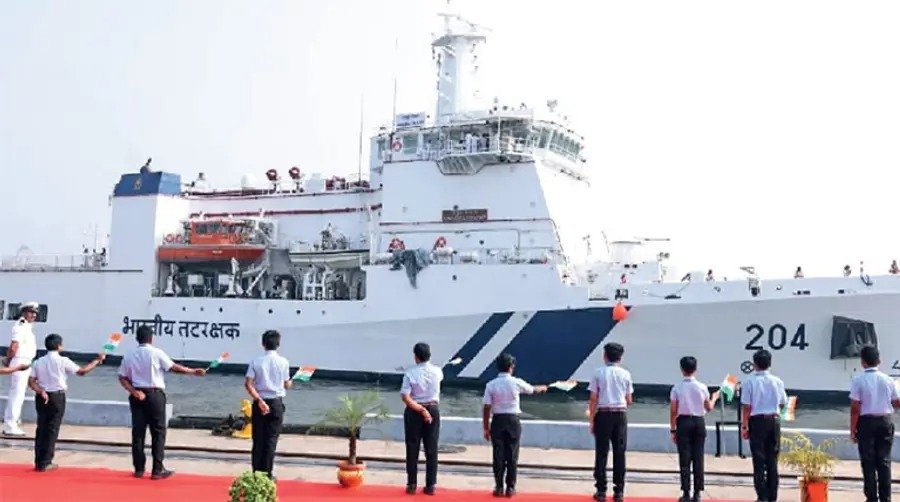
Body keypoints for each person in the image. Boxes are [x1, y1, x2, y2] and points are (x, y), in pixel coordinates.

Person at [117, 325, 206, 479]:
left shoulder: (129, 355)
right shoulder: (156, 353)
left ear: (137, 338)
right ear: (151, 338)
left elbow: (122, 377)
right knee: (158, 432)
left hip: (137, 395)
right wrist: (192, 371)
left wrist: (134, 391)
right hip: (154, 395)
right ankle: (157, 469)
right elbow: (173, 367)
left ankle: (139, 469)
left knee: (138, 433)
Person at [28, 334, 105, 471]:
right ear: (59, 346)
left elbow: (31, 381)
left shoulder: (38, 361)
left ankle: (39, 460)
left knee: (41, 427)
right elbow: (82, 371)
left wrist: (40, 391)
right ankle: (46, 462)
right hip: (57, 396)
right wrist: (97, 361)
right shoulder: (63, 360)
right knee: (52, 429)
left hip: (42, 396)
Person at [482, 353, 548, 497]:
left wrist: (485, 427)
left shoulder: (490, 385)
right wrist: (543, 388)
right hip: (513, 420)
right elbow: (532, 390)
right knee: (512, 455)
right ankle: (510, 487)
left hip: (497, 420)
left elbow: (486, 407)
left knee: (498, 455)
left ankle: (498, 487)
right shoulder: (516, 382)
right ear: (511, 367)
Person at [850, 344, 899, 502]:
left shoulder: (858, 380)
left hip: (866, 422)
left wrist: (852, 430)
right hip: (885, 421)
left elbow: (855, 408)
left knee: (868, 462)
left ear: (862, 362)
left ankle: (871, 497)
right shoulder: (889, 380)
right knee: (884, 461)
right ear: (879, 361)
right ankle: (886, 498)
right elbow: (897, 402)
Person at [669, 356, 720, 502]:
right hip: (698, 422)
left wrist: (673, 429)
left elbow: (673, 411)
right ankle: (697, 493)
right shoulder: (702, 387)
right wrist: (715, 397)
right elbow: (708, 407)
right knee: (698, 458)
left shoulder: (677, 388)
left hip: (683, 422)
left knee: (684, 459)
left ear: (681, 369)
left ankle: (685, 492)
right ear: (695, 369)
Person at [740, 349, 787, 502]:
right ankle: (773, 496)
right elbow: (782, 402)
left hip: (757, 421)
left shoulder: (749, 382)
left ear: (754, 364)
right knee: (772, 460)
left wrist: (745, 426)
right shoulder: (777, 381)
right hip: (773, 420)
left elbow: (746, 407)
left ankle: (762, 496)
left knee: (759, 461)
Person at [589, 342, 633, 502]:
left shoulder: (598, 373)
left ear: (605, 356)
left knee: (601, 452)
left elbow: (593, 399)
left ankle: (601, 490)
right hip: (620, 415)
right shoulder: (626, 374)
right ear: (620, 357)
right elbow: (629, 400)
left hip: (603, 414)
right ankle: (619, 491)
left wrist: (592, 419)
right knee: (619, 453)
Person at [244, 330, 291, 480]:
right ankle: (268, 474)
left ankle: (256, 473)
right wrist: (291, 382)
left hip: (260, 402)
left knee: (258, 440)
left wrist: (259, 400)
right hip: (276, 402)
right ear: (278, 344)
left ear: (263, 344)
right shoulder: (284, 362)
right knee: (271, 440)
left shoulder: (256, 361)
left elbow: (248, 384)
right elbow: (286, 384)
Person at [400, 342, 443, 495]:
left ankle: (411, 484)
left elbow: (405, 397)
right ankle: (430, 485)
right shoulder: (438, 371)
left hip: (414, 410)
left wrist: (420, 409)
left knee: (412, 447)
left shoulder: (410, 374)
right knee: (431, 448)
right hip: (433, 409)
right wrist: (425, 411)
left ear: (416, 356)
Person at [3, 301, 39, 436]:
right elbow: (14, 346)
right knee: (16, 394)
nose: (33, 315)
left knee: (19, 394)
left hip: (26, 362)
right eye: (31, 312)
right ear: (24, 312)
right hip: (19, 362)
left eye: (35, 313)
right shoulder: (20, 326)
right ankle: (10, 425)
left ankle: (13, 422)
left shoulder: (27, 327)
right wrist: (8, 360)